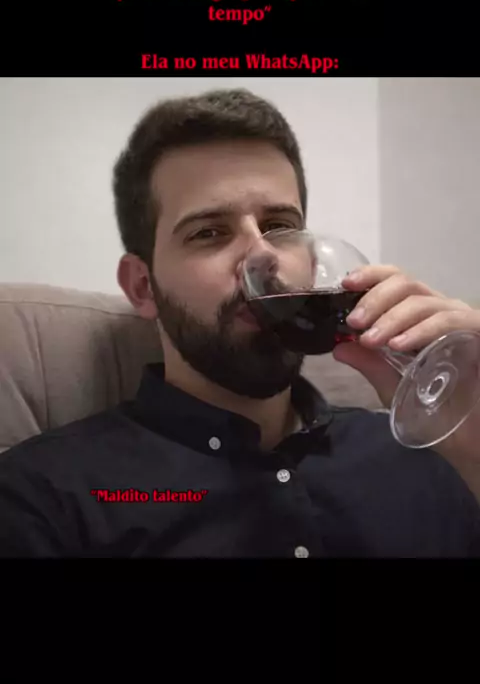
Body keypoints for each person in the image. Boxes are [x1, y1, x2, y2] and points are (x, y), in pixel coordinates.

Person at [0, 87, 479, 558]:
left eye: (280, 227)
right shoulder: (43, 499)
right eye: (209, 232)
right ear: (143, 286)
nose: (262, 255)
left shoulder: (433, 450)